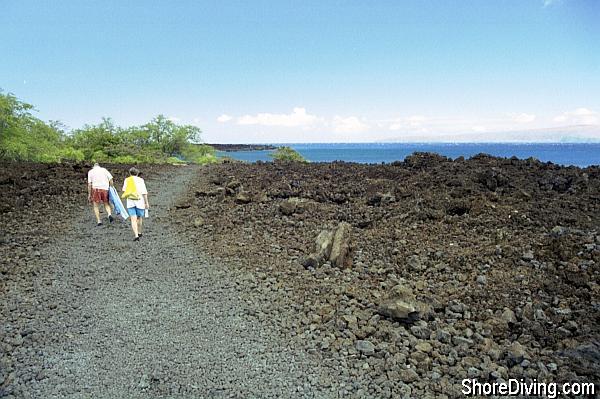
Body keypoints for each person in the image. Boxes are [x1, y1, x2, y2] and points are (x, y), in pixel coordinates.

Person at [122, 167, 149, 241]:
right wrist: (146, 203)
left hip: (130, 202)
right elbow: (144, 192)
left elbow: (124, 190)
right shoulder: (141, 180)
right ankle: (139, 232)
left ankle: (136, 235)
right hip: (140, 201)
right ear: (137, 173)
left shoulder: (127, 180)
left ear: (130, 173)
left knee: (133, 219)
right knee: (139, 217)